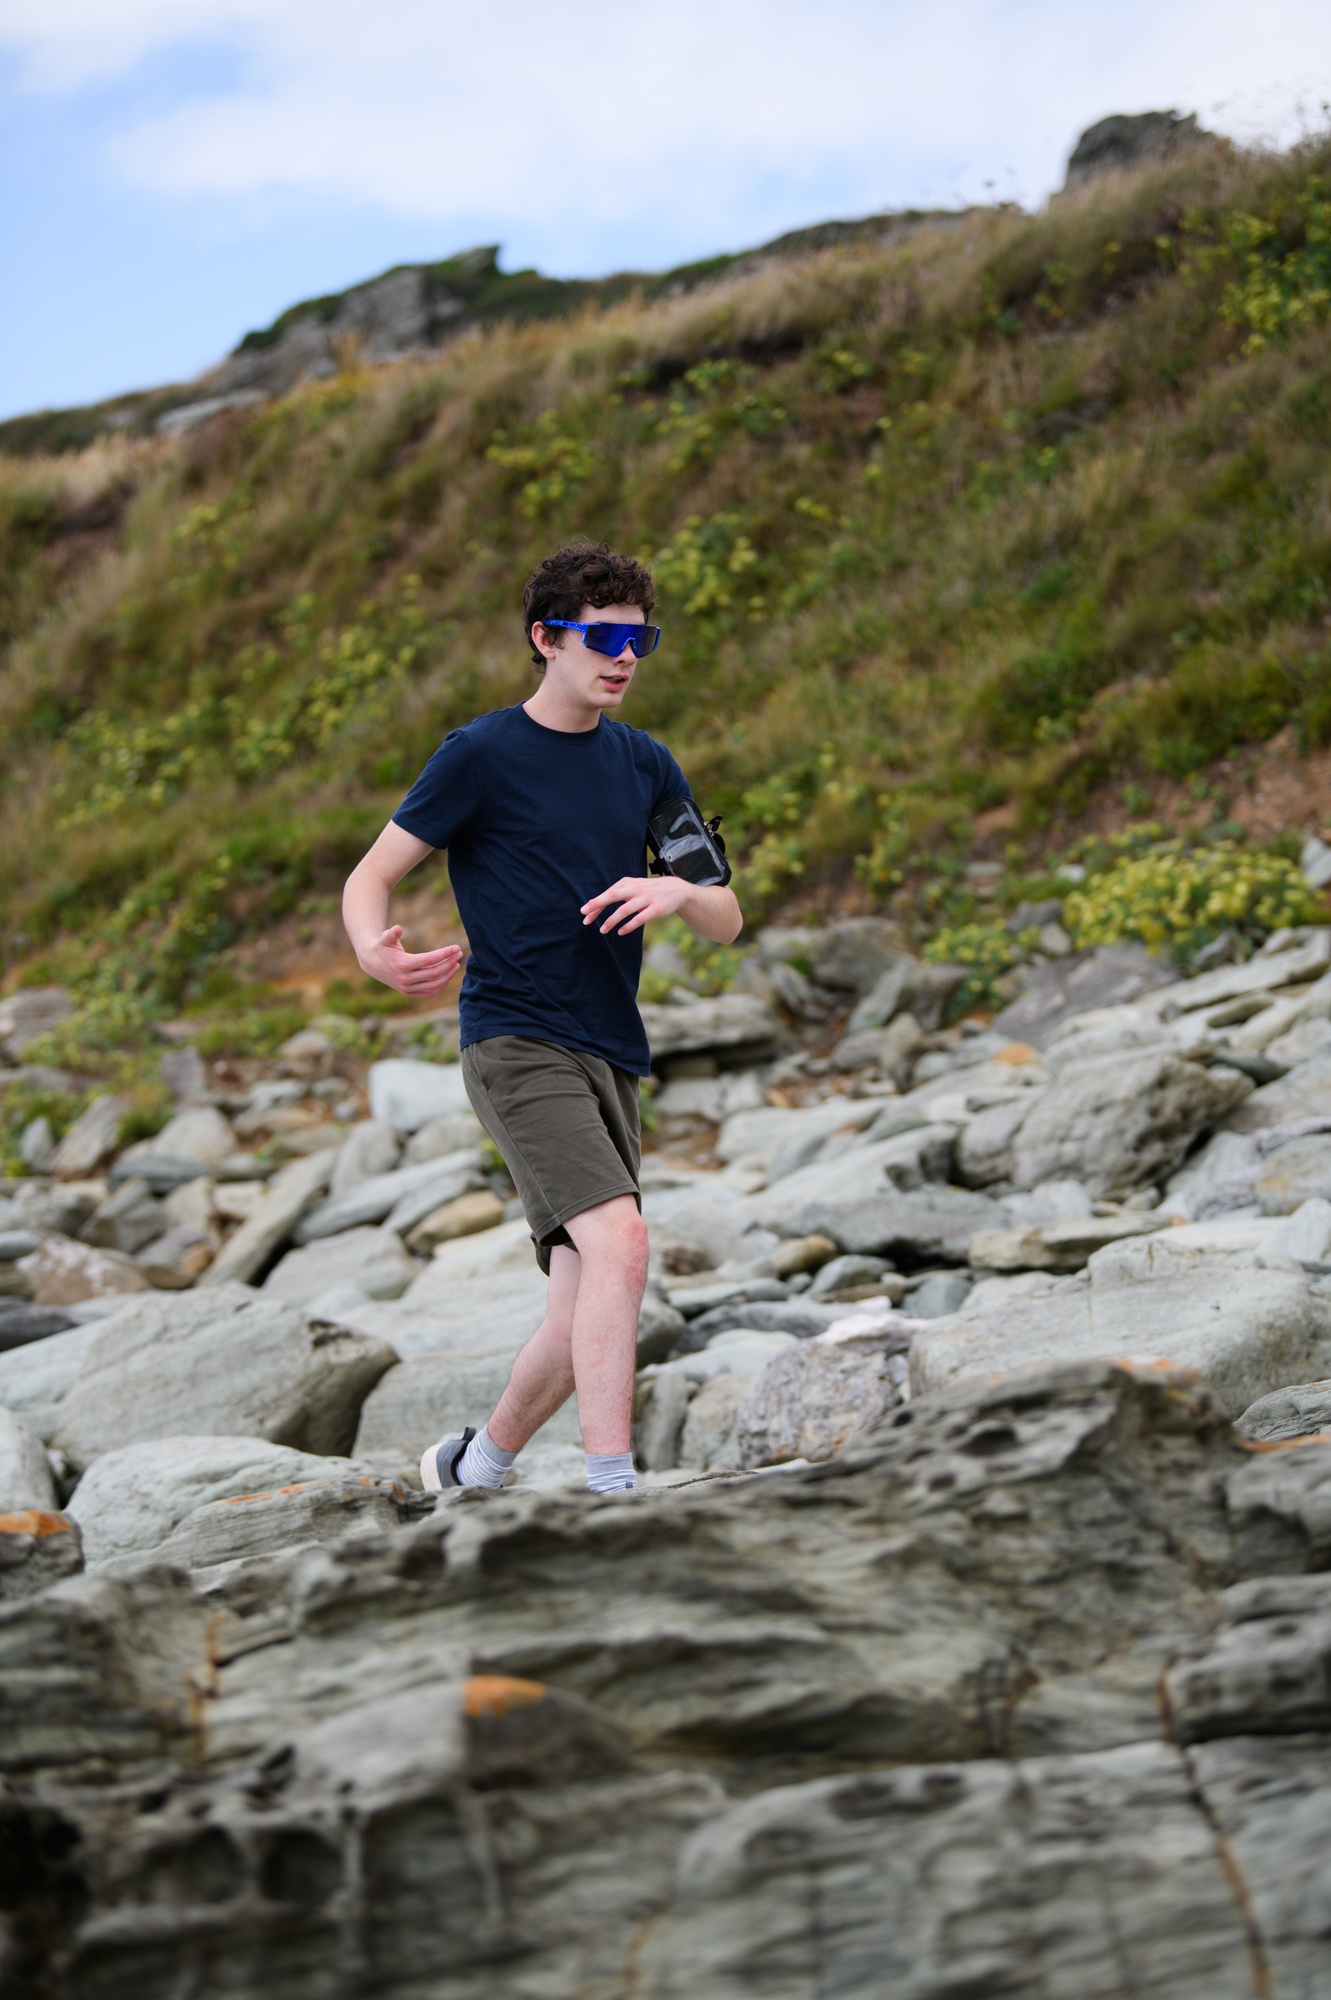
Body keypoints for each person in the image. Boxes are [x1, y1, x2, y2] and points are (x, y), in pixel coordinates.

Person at [342, 541, 742, 1494]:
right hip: (515, 1038)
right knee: (621, 1246)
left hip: (611, 1048)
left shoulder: (646, 764)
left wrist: (676, 891)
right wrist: (371, 949)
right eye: (603, 637)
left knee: (578, 1308)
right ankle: (613, 1487)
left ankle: (473, 1467)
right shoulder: (480, 755)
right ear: (545, 639)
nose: (625, 656)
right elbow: (370, 877)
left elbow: (725, 917)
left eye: (640, 639)